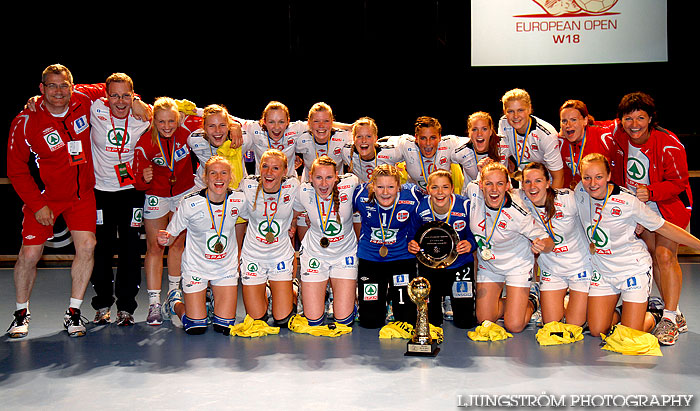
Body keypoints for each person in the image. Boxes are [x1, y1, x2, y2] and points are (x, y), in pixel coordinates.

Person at [6, 64, 108, 338]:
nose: (58, 91)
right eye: (51, 86)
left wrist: (133, 101)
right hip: (45, 198)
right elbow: (16, 170)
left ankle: (73, 312)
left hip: (81, 194)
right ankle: (20, 313)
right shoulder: (26, 120)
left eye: (64, 85)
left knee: (87, 246)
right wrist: (38, 206)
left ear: (72, 86)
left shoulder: (83, 100)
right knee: (29, 255)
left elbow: (112, 87)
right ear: (41, 89)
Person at [574, 153, 700, 341]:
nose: (592, 183)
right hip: (603, 270)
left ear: (609, 176)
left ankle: (654, 314)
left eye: (598, 177)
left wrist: (698, 245)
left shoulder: (628, 201)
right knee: (596, 330)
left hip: (631, 269)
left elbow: (663, 227)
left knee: (629, 336)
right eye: (587, 177)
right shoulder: (579, 192)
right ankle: (626, 312)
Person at [88, 73, 152, 326]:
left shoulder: (144, 117)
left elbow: (180, 111)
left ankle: (126, 308)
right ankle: (102, 304)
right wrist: (38, 99)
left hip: (131, 193)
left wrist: (233, 124)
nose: (121, 101)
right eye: (114, 95)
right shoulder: (96, 108)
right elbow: (73, 89)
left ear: (133, 94)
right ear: (105, 96)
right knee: (100, 249)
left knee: (130, 249)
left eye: (127, 95)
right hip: (100, 192)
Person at [464, 162, 554, 333]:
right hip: (489, 265)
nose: (494, 189)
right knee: (484, 320)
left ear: (508, 186)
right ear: (481, 184)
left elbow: (548, 242)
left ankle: (532, 299)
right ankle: (512, 301)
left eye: (499, 184)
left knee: (514, 325)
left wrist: (542, 245)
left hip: (517, 266)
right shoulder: (473, 191)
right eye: (489, 183)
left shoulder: (518, 212)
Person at [133, 97, 200, 326]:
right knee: (154, 246)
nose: (167, 126)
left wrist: (231, 126)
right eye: (161, 122)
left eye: (171, 121)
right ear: (154, 121)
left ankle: (174, 294)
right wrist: (143, 179)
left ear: (178, 118)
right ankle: (153, 303)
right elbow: (136, 180)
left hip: (183, 192)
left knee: (178, 244)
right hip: (157, 195)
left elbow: (215, 119)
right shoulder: (144, 143)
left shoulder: (186, 130)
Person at [159, 156, 244, 334]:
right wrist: (165, 237)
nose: (218, 178)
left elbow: (258, 216)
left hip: (225, 268)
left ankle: (214, 299)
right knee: (196, 327)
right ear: (205, 178)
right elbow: (171, 233)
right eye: (213, 173)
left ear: (231, 178)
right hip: (196, 268)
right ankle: (174, 302)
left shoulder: (239, 200)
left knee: (224, 327)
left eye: (223, 173)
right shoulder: (190, 203)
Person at [517, 162, 591, 326]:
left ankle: (568, 300)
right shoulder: (520, 201)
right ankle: (539, 298)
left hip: (579, 266)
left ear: (548, 182)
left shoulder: (567, 198)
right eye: (527, 182)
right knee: (551, 325)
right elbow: (493, 190)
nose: (532, 186)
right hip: (552, 269)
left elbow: (596, 208)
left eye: (538, 181)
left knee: (575, 324)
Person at [353, 164, 423, 328]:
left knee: (407, 321)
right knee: (370, 322)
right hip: (370, 259)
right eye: (380, 187)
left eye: (391, 187)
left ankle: (394, 303)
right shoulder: (359, 195)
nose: (385, 192)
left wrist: (416, 240)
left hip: (402, 259)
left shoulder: (412, 195)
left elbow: (427, 215)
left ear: (399, 186)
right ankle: (365, 300)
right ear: (373, 186)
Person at [292, 156, 360, 326]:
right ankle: (301, 290)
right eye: (318, 177)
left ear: (337, 176)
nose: (323, 184)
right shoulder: (303, 191)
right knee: (313, 320)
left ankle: (350, 295)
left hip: (344, 254)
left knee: (343, 320)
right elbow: (294, 215)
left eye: (329, 177)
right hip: (315, 255)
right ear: (310, 177)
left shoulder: (350, 184)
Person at [408, 170, 478, 328]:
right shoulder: (420, 207)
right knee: (432, 322)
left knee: (465, 322)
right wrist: (412, 244)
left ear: (452, 188)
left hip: (460, 265)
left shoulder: (465, 206)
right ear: (428, 190)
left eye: (445, 187)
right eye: (435, 187)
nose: (440, 192)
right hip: (430, 266)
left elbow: (476, 234)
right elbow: (412, 235)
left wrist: (470, 244)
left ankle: (455, 304)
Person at [238, 149, 299, 327]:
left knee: (282, 320)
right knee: (257, 319)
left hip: (279, 257)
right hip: (253, 256)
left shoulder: (293, 185)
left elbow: (302, 205)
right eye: (265, 166)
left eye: (275, 168)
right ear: (259, 167)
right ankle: (266, 290)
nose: (269, 173)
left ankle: (292, 289)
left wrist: (294, 223)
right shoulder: (248, 185)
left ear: (285, 171)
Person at [384, 116, 472, 193]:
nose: (428, 143)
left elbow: (475, 143)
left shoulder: (449, 144)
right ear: (416, 138)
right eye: (423, 138)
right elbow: (379, 144)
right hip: (415, 198)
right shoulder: (405, 144)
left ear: (440, 137)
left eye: (433, 138)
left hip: (441, 196)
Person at [498, 88, 564, 188]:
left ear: (529, 109)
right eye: (510, 111)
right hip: (524, 181)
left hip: (546, 185)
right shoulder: (504, 123)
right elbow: (502, 156)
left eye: (520, 110)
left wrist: (552, 202)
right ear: (504, 111)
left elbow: (558, 177)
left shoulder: (546, 134)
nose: (515, 116)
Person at [237, 101, 308, 177]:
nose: (276, 127)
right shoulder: (254, 128)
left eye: (281, 122)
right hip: (262, 184)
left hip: (289, 185)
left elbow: (317, 122)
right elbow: (226, 118)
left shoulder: (296, 129)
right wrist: (235, 126)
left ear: (288, 121)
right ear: (264, 121)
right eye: (271, 122)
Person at [557, 99, 616, 189]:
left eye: (573, 120)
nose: (568, 125)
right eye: (564, 121)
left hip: (607, 192)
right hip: (579, 194)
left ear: (585, 120)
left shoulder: (603, 135)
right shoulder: (559, 141)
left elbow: (625, 122)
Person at [188, 104, 246, 190]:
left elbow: (255, 125)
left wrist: (237, 125)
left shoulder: (242, 138)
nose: (217, 130)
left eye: (222, 125)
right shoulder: (193, 140)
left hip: (237, 189)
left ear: (228, 125)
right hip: (203, 187)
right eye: (211, 126)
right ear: (204, 127)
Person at [295, 102, 353, 181]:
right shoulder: (301, 138)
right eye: (316, 121)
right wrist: (294, 157)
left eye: (326, 121)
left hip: (337, 188)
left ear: (332, 122)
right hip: (308, 188)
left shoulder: (344, 137)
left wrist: (348, 127)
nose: (321, 125)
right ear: (309, 123)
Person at [342, 117, 401, 184]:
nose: (364, 140)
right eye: (359, 136)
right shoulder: (346, 152)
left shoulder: (391, 152)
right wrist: (349, 126)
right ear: (353, 139)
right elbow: (328, 126)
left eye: (368, 136)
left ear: (376, 138)